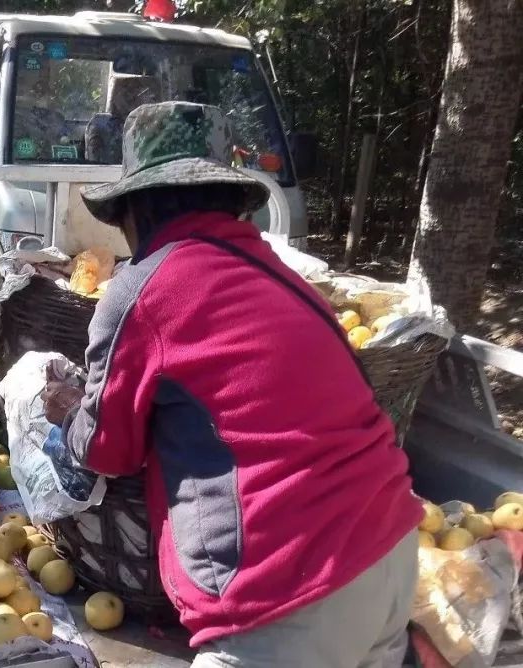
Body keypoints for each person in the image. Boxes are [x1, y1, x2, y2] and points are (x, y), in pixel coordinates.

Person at [44, 102, 421, 668]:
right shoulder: (281, 275)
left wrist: (68, 411)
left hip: (289, 589)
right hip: (390, 552)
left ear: (134, 211)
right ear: (230, 203)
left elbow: (107, 450)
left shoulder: (144, 289)